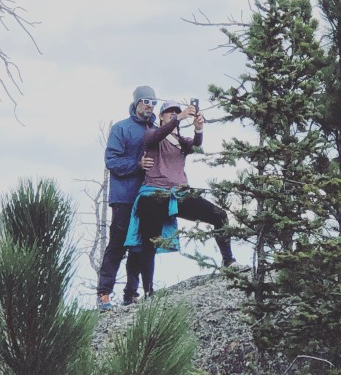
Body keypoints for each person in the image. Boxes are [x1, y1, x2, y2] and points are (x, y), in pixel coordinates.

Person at [129, 100, 242, 292]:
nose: (173, 114)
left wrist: (198, 129)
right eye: (169, 112)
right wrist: (179, 118)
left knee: (219, 215)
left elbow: (196, 145)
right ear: (161, 116)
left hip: (180, 193)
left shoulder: (181, 141)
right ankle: (148, 292)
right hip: (153, 193)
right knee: (149, 242)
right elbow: (154, 137)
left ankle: (228, 261)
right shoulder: (151, 133)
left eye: (176, 111)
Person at [97, 85, 160, 311]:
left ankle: (131, 293)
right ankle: (104, 293)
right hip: (124, 196)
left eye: (154, 102)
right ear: (136, 102)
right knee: (117, 244)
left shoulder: (157, 130)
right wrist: (137, 165)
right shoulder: (121, 128)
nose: (150, 106)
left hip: (148, 196)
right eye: (146, 101)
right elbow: (111, 161)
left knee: (140, 246)